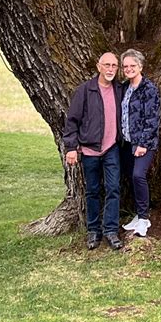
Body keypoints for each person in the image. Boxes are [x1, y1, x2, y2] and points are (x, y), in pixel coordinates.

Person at [62, 52, 123, 250]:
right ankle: (93, 231)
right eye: (107, 65)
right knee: (92, 191)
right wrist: (71, 147)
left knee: (113, 188)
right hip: (89, 150)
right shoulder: (85, 91)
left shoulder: (119, 90)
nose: (110, 69)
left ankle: (111, 231)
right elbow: (72, 121)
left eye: (114, 65)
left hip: (111, 148)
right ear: (98, 67)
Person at [120, 48, 160, 237]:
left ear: (140, 66)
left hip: (144, 143)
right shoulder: (124, 88)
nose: (129, 69)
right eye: (126, 66)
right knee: (131, 177)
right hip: (127, 143)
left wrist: (143, 144)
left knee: (138, 176)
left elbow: (152, 119)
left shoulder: (148, 88)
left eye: (132, 65)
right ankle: (138, 214)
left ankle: (144, 218)